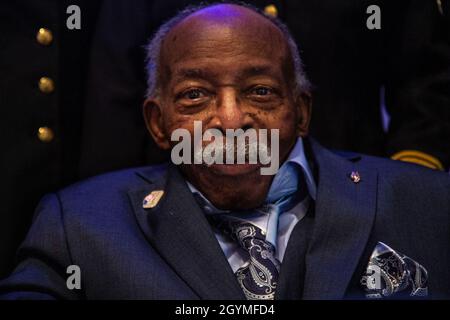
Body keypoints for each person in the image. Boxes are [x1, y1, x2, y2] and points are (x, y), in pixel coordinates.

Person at [0, 3, 448, 300]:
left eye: (260, 91)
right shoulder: (80, 227)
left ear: (302, 110)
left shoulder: (426, 206)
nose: (231, 121)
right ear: (158, 122)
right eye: (195, 95)